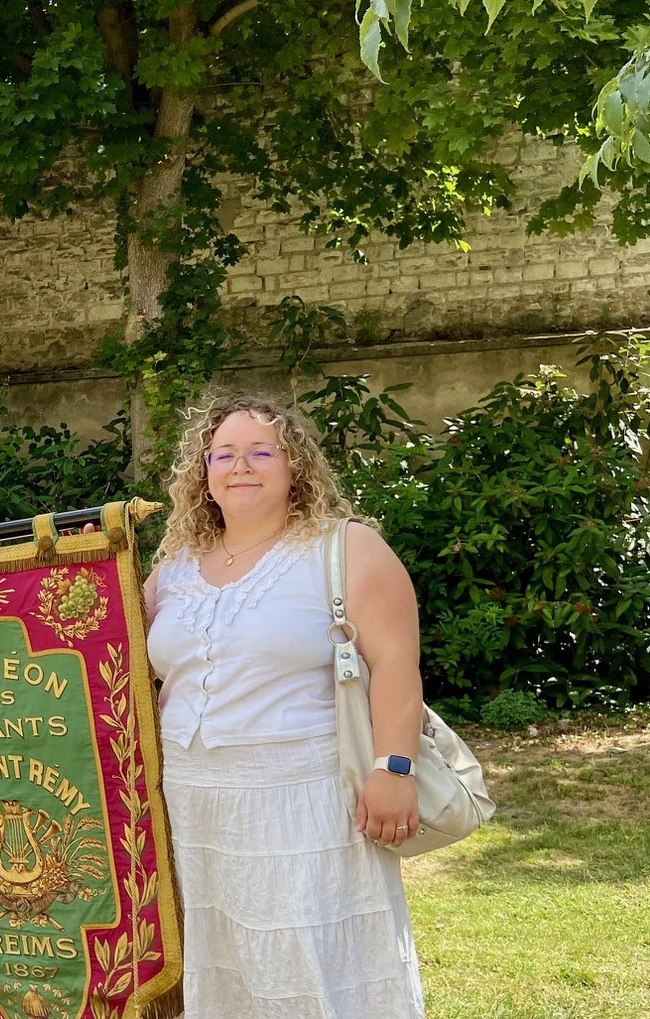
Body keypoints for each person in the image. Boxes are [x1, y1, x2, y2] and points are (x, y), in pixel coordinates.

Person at [143, 392, 427, 1018]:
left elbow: (397, 667)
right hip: (192, 804)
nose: (239, 466)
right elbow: (116, 664)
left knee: (312, 959)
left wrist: (395, 768)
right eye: (223, 454)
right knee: (218, 967)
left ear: (294, 465)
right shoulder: (172, 570)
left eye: (259, 451)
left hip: (304, 799)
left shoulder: (344, 549)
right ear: (203, 473)